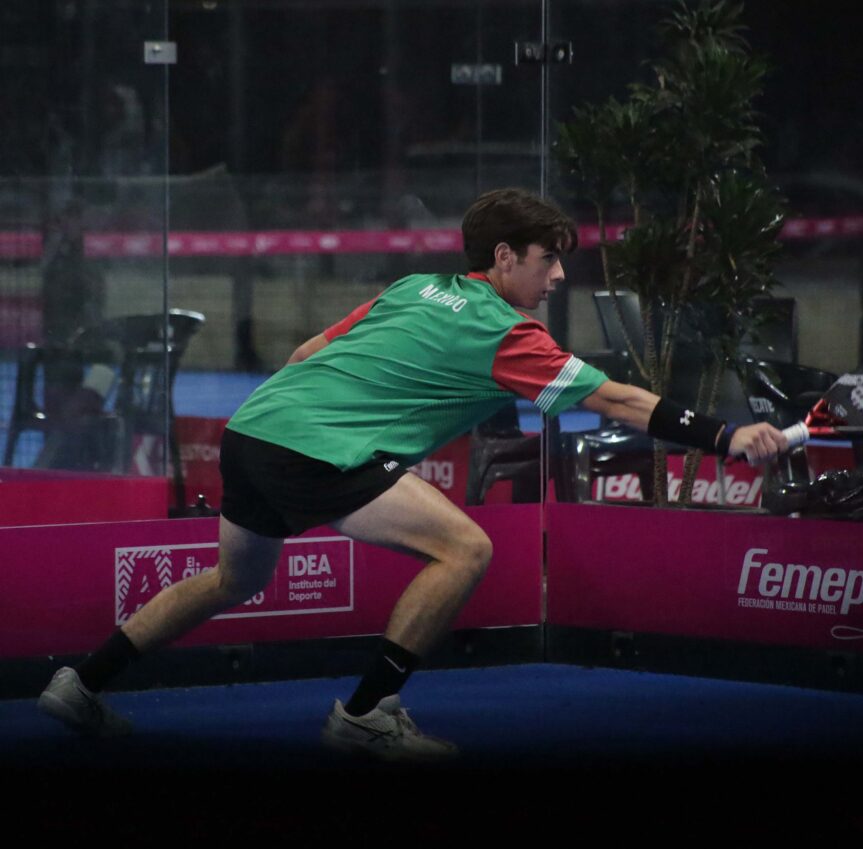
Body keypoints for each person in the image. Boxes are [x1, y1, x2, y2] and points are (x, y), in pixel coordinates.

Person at [38, 187, 789, 760]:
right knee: (465, 549)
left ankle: (81, 683)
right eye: (547, 260)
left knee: (233, 579)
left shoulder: (412, 288)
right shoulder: (509, 334)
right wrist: (727, 435)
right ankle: (368, 714)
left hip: (254, 427)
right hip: (319, 449)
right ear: (504, 258)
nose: (559, 275)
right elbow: (618, 398)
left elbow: (306, 353)